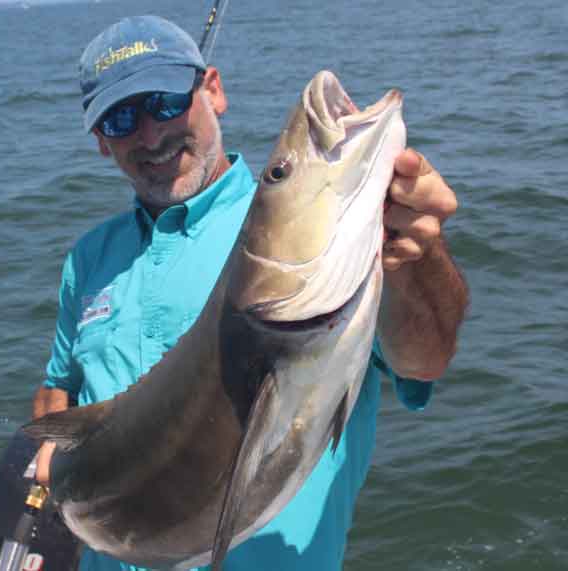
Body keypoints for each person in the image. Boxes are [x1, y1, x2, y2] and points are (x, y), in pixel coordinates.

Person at [31, 15, 469, 571]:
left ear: (213, 89)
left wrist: (417, 257)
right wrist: (51, 451)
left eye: (165, 102)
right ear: (101, 142)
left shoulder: (341, 245)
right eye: (121, 119)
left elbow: (425, 360)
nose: (150, 134)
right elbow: (58, 385)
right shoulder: (88, 260)